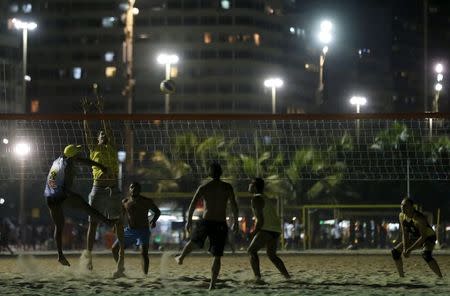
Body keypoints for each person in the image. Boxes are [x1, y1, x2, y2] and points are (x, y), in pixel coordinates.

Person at [44, 144, 115, 266]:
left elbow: (82, 160)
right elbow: (65, 188)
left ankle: (60, 256)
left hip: (49, 196)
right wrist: (72, 196)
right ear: (72, 157)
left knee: (59, 226)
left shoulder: (61, 159)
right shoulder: (66, 168)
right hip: (57, 195)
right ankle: (108, 222)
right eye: (77, 153)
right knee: (84, 205)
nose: (79, 154)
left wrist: (100, 166)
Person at [175, 162, 239, 290]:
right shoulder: (227, 187)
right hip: (220, 222)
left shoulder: (204, 187)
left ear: (210, 173)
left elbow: (192, 205)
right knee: (217, 256)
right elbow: (233, 206)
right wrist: (236, 221)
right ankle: (212, 285)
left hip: (207, 221)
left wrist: (188, 220)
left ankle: (181, 257)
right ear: (221, 173)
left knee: (194, 241)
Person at [81, 97, 125, 276]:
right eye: (101, 134)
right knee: (93, 224)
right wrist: (86, 113)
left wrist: (101, 110)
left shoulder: (112, 147)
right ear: (98, 138)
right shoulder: (93, 148)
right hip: (98, 189)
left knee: (119, 223)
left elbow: (107, 127)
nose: (103, 134)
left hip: (113, 189)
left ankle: (121, 257)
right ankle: (89, 256)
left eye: (105, 134)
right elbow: (87, 130)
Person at [112, 182, 160, 276]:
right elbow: (120, 216)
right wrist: (115, 225)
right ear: (129, 189)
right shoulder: (125, 202)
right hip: (130, 230)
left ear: (140, 190)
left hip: (143, 230)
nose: (134, 189)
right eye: (132, 187)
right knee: (114, 248)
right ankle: (121, 268)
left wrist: (153, 220)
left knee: (144, 253)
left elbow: (157, 212)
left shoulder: (146, 201)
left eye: (136, 187)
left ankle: (145, 275)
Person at [247, 178, 290, 283]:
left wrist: (253, 232)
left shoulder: (256, 199)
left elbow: (260, 220)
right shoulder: (264, 197)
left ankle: (258, 278)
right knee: (272, 255)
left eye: (251, 184)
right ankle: (287, 277)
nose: (249, 185)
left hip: (267, 228)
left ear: (255, 187)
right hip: (275, 229)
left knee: (251, 251)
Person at [391, 197, 442, 278]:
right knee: (395, 252)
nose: (402, 207)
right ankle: (402, 277)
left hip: (428, 237)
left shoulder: (419, 219)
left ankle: (440, 277)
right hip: (415, 237)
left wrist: (409, 250)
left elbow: (423, 237)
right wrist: (404, 249)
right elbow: (405, 234)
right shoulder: (401, 216)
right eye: (401, 205)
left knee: (426, 255)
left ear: (412, 207)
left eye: (405, 206)